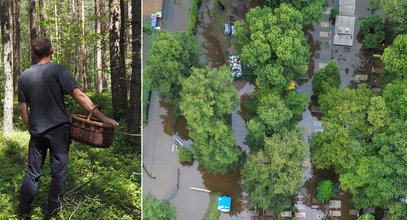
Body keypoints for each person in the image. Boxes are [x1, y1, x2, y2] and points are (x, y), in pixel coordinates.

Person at [17, 37, 119, 219]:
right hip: (59, 132)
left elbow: (23, 109)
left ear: (34, 54)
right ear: (52, 50)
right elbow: (78, 96)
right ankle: (52, 214)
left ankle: (23, 212)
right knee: (58, 174)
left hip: (37, 132)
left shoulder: (24, 76)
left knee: (33, 173)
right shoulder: (58, 70)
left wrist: (30, 129)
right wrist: (103, 118)